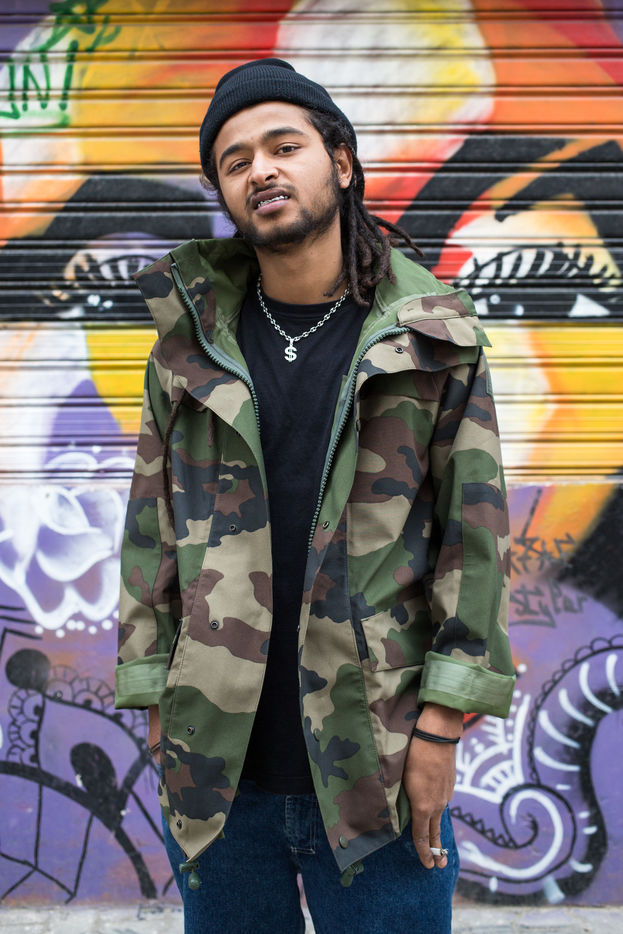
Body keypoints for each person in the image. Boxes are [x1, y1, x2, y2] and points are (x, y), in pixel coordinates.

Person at [114, 58, 515, 934]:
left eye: (282, 146)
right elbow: (150, 525)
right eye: (235, 161)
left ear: (339, 160)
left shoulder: (429, 338)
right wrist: (153, 701)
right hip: (218, 770)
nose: (260, 170)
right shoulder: (189, 348)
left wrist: (440, 728)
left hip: (376, 760)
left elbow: (475, 542)